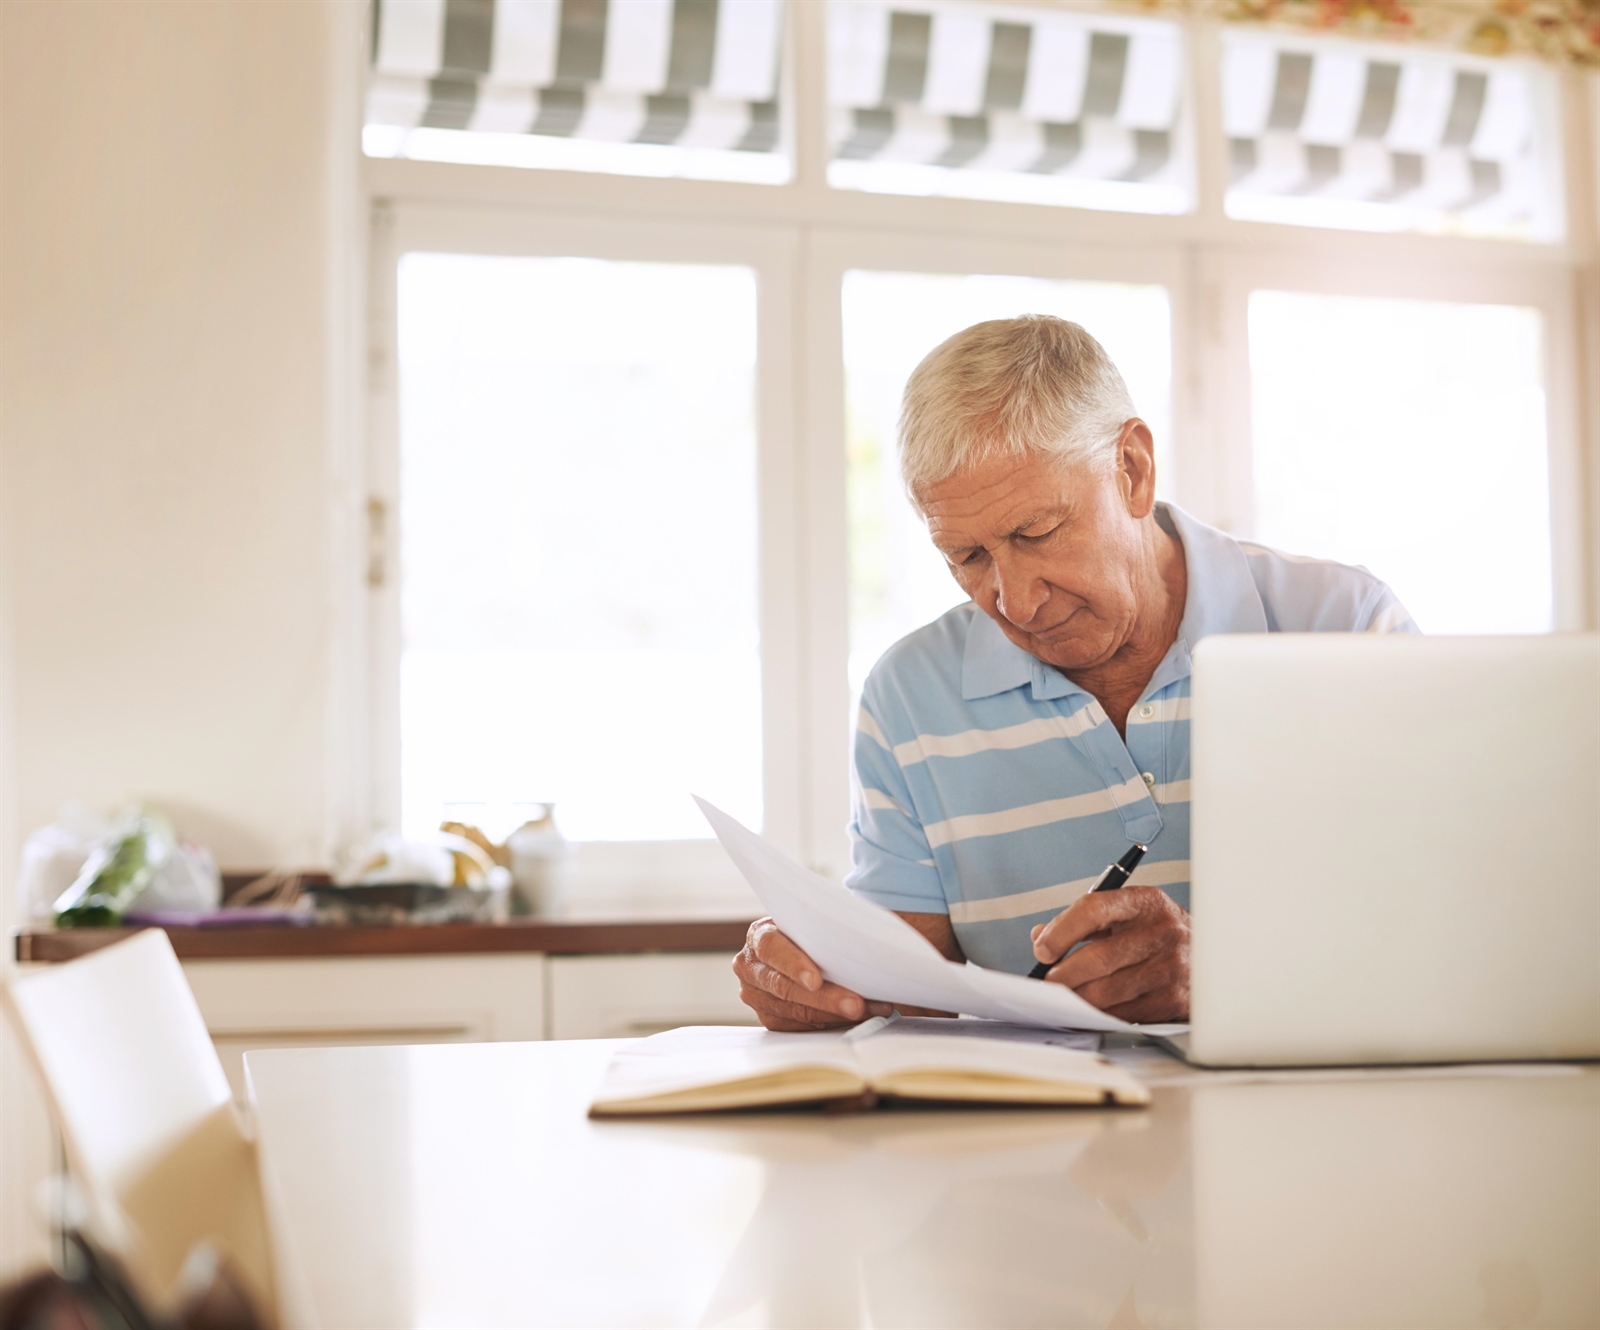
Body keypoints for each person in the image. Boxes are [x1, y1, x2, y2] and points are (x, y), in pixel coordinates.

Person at [734, 316, 1415, 1030]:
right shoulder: (908, 695)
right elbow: (906, 995)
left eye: (1036, 534)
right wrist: (821, 981)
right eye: (967, 557)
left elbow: (1451, 922)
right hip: (1042, 1134)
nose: (1014, 600)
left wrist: (1226, 973)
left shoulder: (1346, 624)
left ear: (1132, 470)